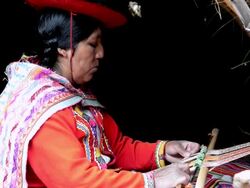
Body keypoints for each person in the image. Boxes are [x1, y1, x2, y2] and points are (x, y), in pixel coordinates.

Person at [0, 0, 200, 187]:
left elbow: (117, 148)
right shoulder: (40, 109)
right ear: (64, 48)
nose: (101, 53)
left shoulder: (76, 97)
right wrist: (151, 180)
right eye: (93, 44)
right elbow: (77, 182)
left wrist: (164, 150)